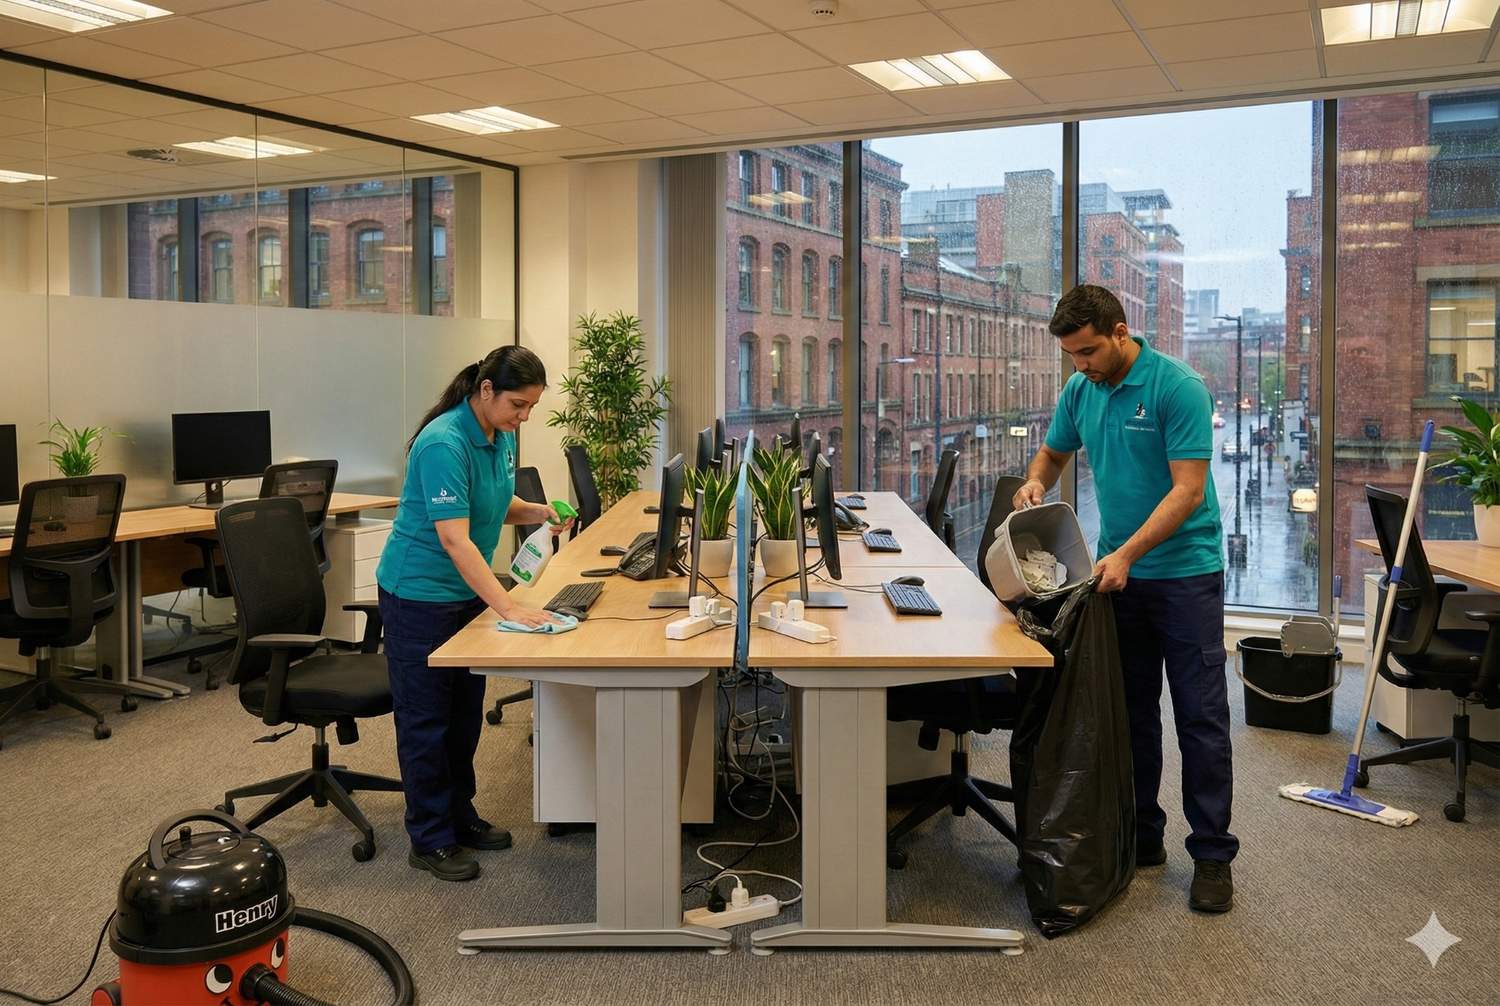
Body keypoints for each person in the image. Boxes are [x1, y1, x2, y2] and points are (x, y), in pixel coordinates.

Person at [1014, 285, 1236, 914]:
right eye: (1071, 355)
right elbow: (1053, 452)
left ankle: (1213, 856)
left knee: (1199, 717)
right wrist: (1035, 482)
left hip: (1185, 575)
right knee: (1131, 712)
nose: (1079, 364)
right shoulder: (1080, 389)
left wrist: (1129, 554)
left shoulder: (1177, 387)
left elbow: (1187, 491)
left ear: (1119, 332)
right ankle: (1143, 834)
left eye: (1087, 351)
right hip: (1119, 577)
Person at [376, 345, 571, 883]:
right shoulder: (443, 442)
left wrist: (539, 511)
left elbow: (494, 502)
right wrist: (507, 604)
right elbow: (455, 538)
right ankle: (429, 837)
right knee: (426, 721)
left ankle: (459, 815)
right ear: (486, 390)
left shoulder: (497, 435)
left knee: (463, 717)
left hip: (464, 593)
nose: (523, 417)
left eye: (531, 407)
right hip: (418, 596)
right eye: (517, 404)